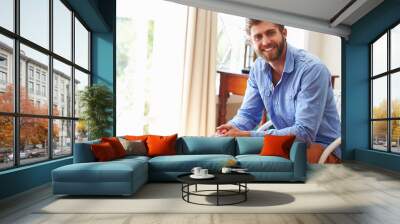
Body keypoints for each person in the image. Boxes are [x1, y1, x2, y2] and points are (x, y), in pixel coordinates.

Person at [216, 19, 341, 163]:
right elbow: (248, 115)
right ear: (251, 41)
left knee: (252, 161)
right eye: (258, 37)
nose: (265, 42)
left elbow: (304, 133)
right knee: (228, 152)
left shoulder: (312, 70)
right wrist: (231, 128)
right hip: (285, 144)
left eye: (270, 33)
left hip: (322, 147)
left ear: (284, 33)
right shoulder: (258, 69)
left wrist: (248, 136)